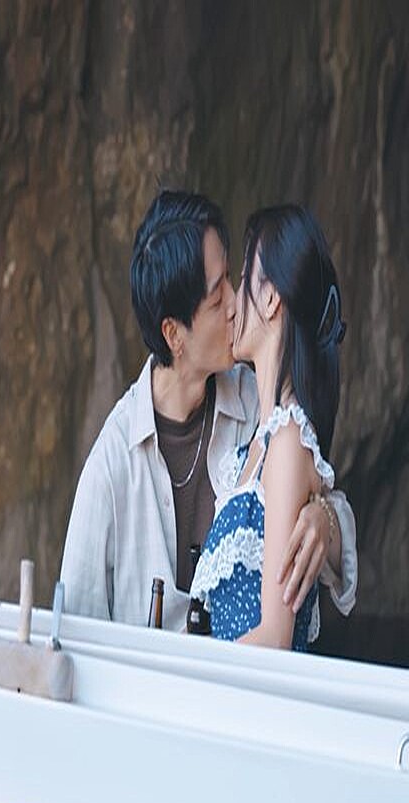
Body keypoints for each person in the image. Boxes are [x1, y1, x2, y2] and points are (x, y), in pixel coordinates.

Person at [61, 191, 357, 637]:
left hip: (245, 674)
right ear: (174, 334)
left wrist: (324, 521)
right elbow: (72, 633)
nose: (236, 303)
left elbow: (325, 495)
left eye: (233, 280)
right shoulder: (112, 467)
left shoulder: (259, 406)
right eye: (217, 298)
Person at [190, 203, 346, 650]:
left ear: (272, 298)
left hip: (250, 691)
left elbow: (275, 637)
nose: (233, 304)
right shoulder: (257, 447)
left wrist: (193, 674)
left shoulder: (288, 442)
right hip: (227, 686)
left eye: (243, 281)